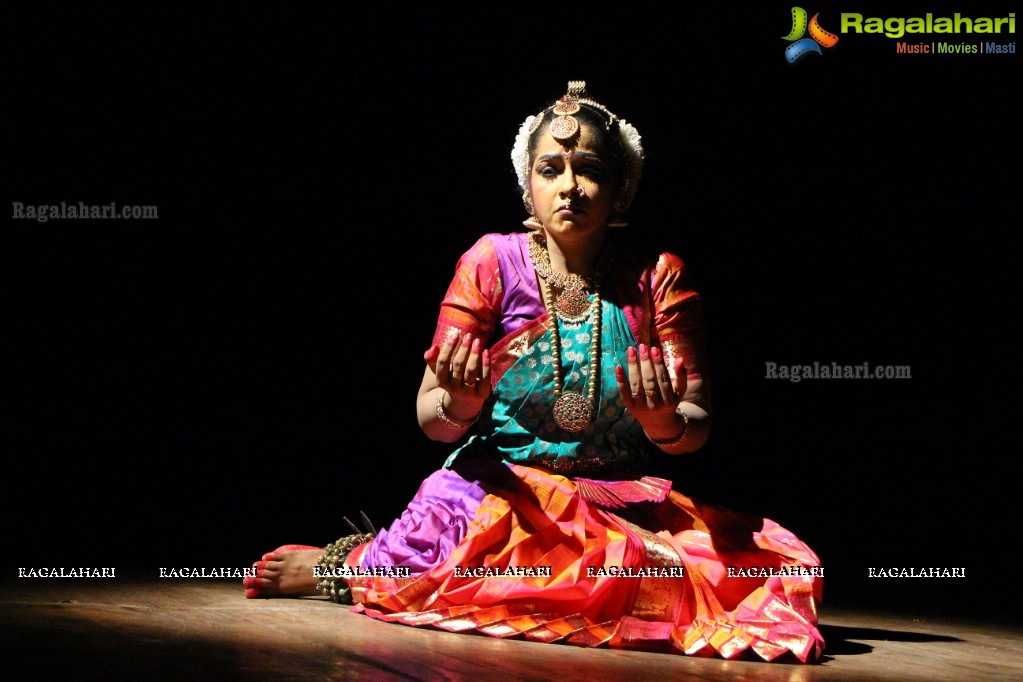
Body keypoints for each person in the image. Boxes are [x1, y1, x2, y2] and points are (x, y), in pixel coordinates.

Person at [244, 81, 825, 663]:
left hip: (615, 505)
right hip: (500, 493)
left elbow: (695, 423)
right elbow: (431, 419)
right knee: (479, 555)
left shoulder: (657, 277)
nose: (569, 185)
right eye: (551, 169)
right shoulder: (491, 262)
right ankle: (348, 564)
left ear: (620, 189)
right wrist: (463, 406)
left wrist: (663, 421)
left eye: (589, 169)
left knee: (749, 571)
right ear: (528, 184)